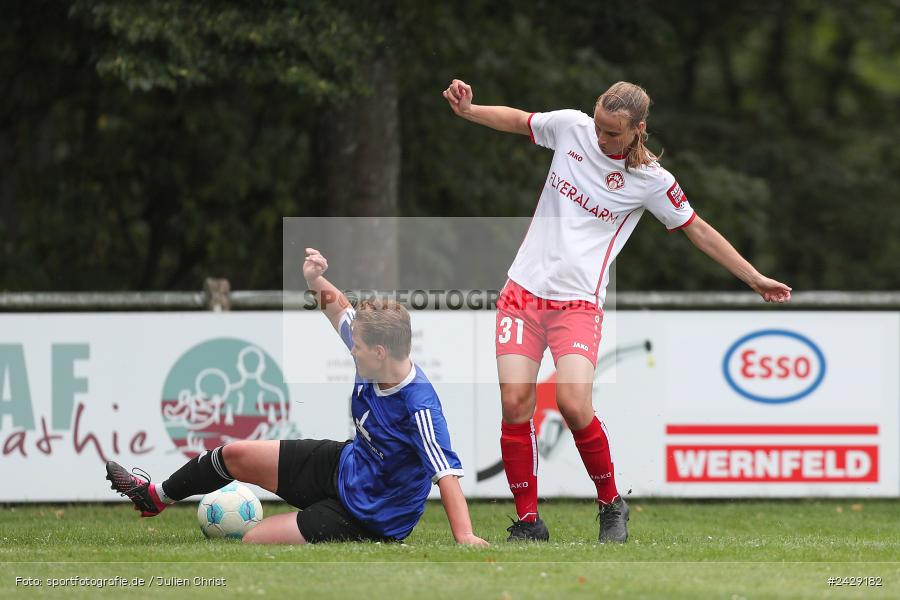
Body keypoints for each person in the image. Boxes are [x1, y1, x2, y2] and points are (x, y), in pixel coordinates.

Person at [443, 79, 791, 543]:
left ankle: (611, 504)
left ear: (637, 130)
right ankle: (528, 522)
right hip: (522, 293)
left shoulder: (652, 182)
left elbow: (698, 229)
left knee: (571, 403)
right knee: (515, 404)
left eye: (611, 133)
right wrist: (470, 111)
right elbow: (520, 120)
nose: (600, 137)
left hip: (578, 305)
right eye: (598, 125)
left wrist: (754, 277)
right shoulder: (572, 128)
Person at [106, 247, 488, 547]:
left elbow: (447, 477)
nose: (351, 351)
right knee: (234, 454)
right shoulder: (374, 350)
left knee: (253, 539)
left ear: (380, 353)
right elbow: (339, 309)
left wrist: (465, 537)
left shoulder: (419, 406)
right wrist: (314, 278)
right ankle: (154, 496)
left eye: (357, 347)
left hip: (372, 517)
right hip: (346, 465)